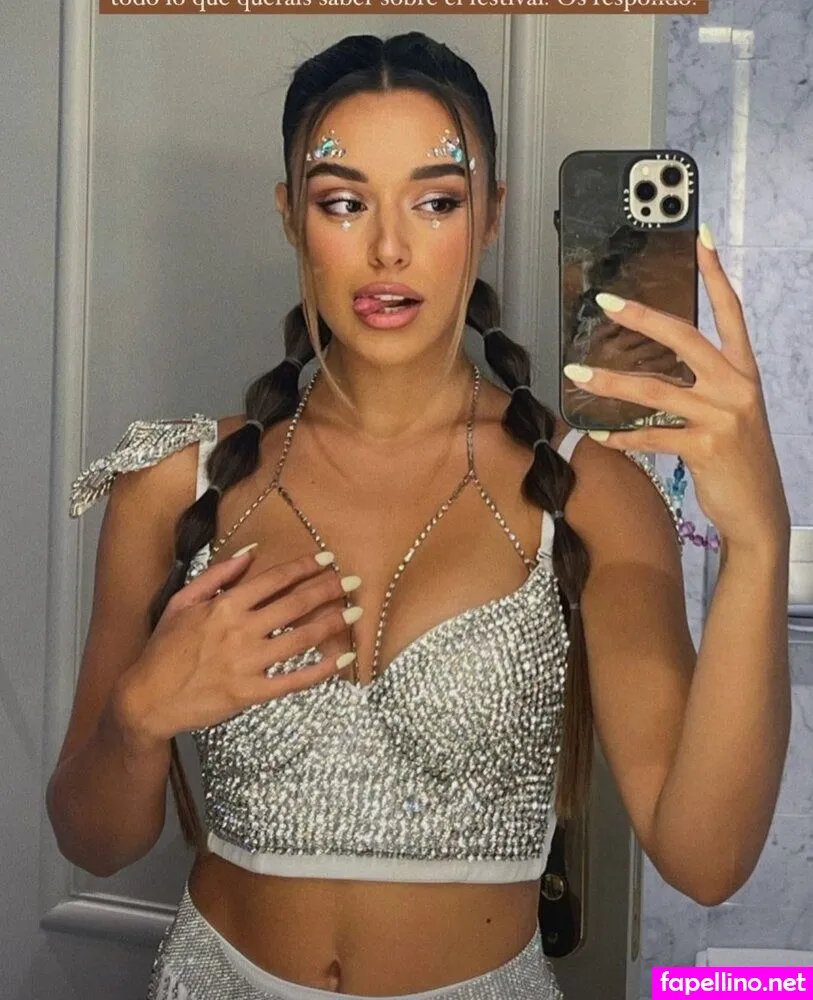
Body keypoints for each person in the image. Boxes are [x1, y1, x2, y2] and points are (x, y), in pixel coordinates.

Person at [47, 31, 792, 1000]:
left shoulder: (591, 493)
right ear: (290, 215)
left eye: (435, 201)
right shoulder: (173, 485)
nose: (388, 248)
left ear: (490, 216)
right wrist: (140, 716)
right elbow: (93, 840)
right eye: (343, 202)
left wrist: (758, 542)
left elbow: (706, 860)